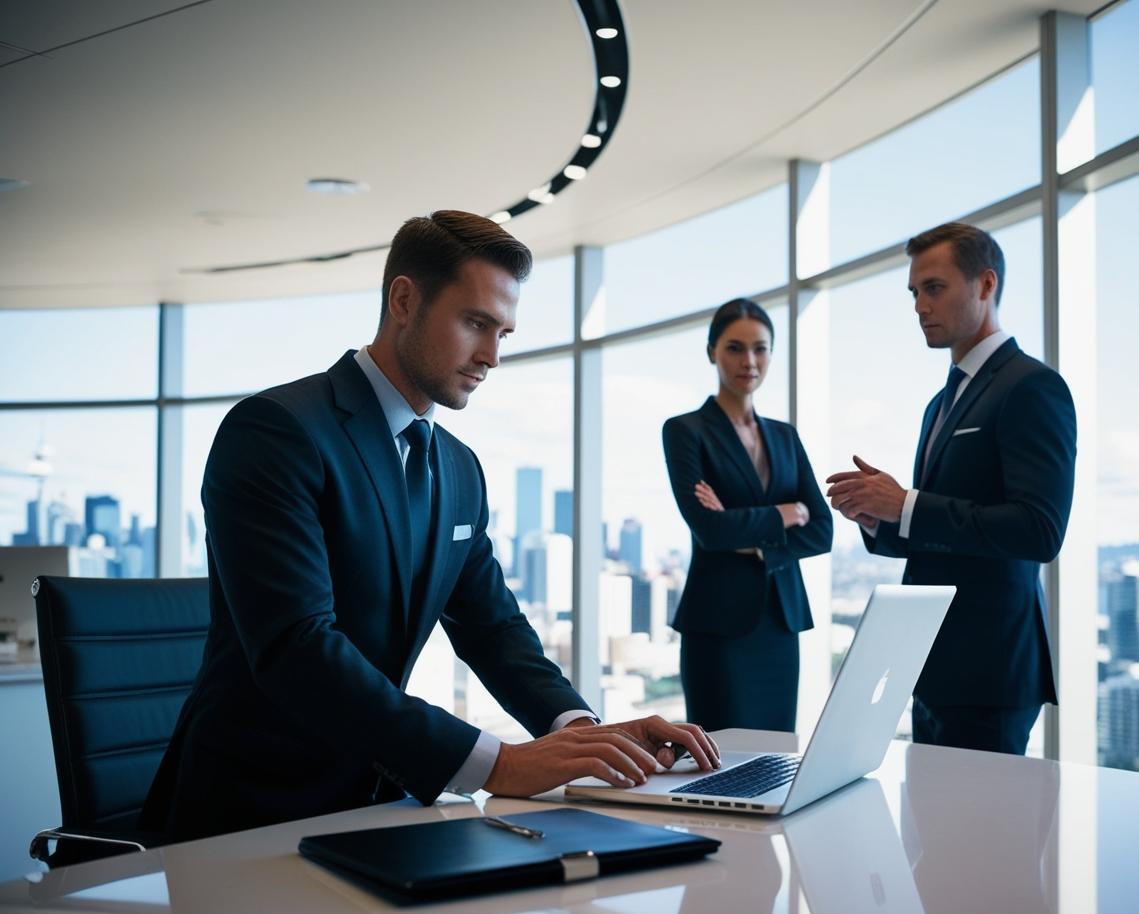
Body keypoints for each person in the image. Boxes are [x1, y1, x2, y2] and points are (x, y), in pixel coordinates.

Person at [142, 211, 718, 841]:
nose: (493, 356)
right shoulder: (277, 432)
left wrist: (582, 734)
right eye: (476, 323)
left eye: (504, 332)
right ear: (405, 300)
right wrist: (494, 763)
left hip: (381, 808)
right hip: (248, 817)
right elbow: (297, 648)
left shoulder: (458, 469)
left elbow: (492, 627)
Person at [825, 222, 1075, 756]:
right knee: (932, 839)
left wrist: (907, 504)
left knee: (985, 838)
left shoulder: (1031, 386)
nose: (919, 305)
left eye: (934, 288)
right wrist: (879, 518)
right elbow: (936, 535)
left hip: (992, 672)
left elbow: (1039, 530)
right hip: (932, 666)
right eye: (914, 292)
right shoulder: (940, 404)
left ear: (985, 285)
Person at [662, 298, 833, 733]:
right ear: (712, 352)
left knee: (776, 757)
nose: (749, 361)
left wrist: (753, 540)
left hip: (780, 624)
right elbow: (710, 530)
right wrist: (782, 513)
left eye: (760, 348)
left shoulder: (785, 436)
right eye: (735, 348)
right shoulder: (686, 431)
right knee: (720, 761)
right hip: (717, 627)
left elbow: (821, 530)